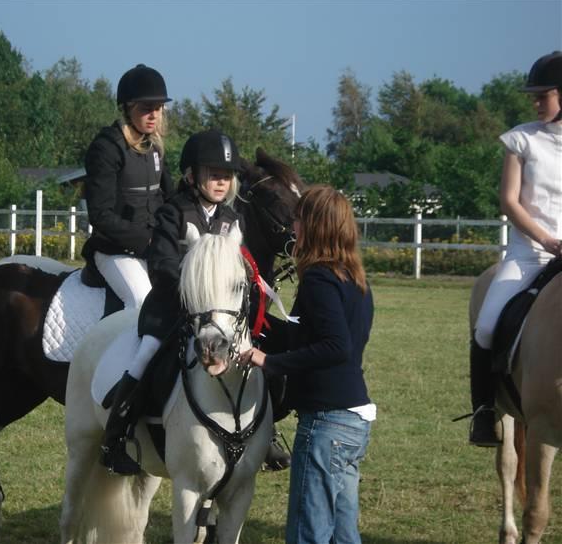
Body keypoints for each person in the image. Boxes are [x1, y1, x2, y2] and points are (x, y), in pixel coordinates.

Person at [100, 130, 244, 475]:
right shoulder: (172, 213)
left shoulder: (232, 220)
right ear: (192, 176)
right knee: (145, 354)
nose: (221, 182)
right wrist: (192, 290)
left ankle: (261, 434)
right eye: (213, 175)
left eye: (226, 176)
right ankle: (115, 437)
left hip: (217, 314)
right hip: (170, 309)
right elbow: (161, 263)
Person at [239, 185, 375, 544]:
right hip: (353, 421)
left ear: (314, 226)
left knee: (307, 533)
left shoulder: (318, 278)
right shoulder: (353, 277)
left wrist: (269, 361)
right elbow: (312, 337)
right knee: (344, 535)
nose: (293, 227)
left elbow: (335, 347)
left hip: (326, 425)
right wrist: (258, 324)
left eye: (297, 219)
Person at [469, 51, 562, 446]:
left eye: (544, 95)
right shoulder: (521, 139)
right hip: (529, 254)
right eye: (535, 96)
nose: (535, 102)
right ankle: (485, 413)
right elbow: (510, 201)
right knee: (486, 326)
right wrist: (546, 240)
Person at [81, 63, 174, 309]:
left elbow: (170, 199)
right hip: (114, 252)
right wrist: (148, 241)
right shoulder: (106, 148)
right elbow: (100, 214)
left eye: (158, 108)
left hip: (154, 249)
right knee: (143, 301)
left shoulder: (155, 147)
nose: (154, 115)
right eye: (146, 109)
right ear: (127, 109)